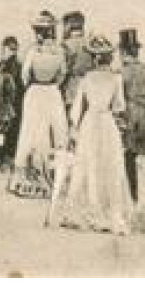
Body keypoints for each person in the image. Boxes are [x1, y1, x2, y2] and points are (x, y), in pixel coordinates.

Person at [53, 34, 136, 235]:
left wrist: (74, 128)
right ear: (108, 57)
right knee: (109, 164)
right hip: (107, 122)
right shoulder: (116, 79)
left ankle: (87, 210)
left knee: (88, 163)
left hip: (90, 122)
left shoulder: (87, 79)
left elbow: (77, 109)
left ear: (95, 58)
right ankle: (109, 212)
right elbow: (119, 106)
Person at [8, 12, 69, 198]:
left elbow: (24, 76)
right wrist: (52, 85)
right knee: (56, 132)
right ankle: (53, 177)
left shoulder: (33, 52)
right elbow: (62, 75)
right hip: (52, 92)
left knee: (30, 132)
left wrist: (34, 84)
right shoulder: (59, 51)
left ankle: (28, 180)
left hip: (35, 93)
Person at [118, 29, 145, 203]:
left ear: (123, 51)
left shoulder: (121, 72)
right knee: (132, 159)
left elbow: (118, 99)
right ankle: (134, 197)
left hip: (127, 114)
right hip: (141, 116)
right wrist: (142, 112)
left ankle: (128, 198)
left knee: (124, 158)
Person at [0, 36, 24, 163]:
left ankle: (5, 153)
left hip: (10, 100)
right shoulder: (16, 63)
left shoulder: (9, 64)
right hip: (16, 99)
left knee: (7, 126)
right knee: (13, 126)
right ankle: (9, 152)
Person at [61, 11, 93, 109]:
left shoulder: (66, 45)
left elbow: (64, 70)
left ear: (69, 25)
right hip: (89, 87)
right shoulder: (90, 43)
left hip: (72, 87)